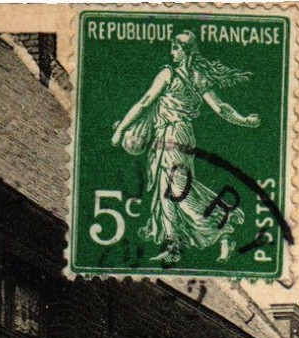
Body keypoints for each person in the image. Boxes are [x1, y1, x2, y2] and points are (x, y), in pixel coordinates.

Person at [109, 30, 259, 266]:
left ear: (186, 50)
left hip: (172, 135)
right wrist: (244, 120)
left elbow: (146, 101)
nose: (172, 52)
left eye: (176, 48)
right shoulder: (198, 77)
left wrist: (120, 129)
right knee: (165, 191)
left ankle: (223, 226)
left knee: (178, 189)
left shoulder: (169, 74)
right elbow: (221, 108)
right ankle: (174, 245)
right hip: (175, 135)